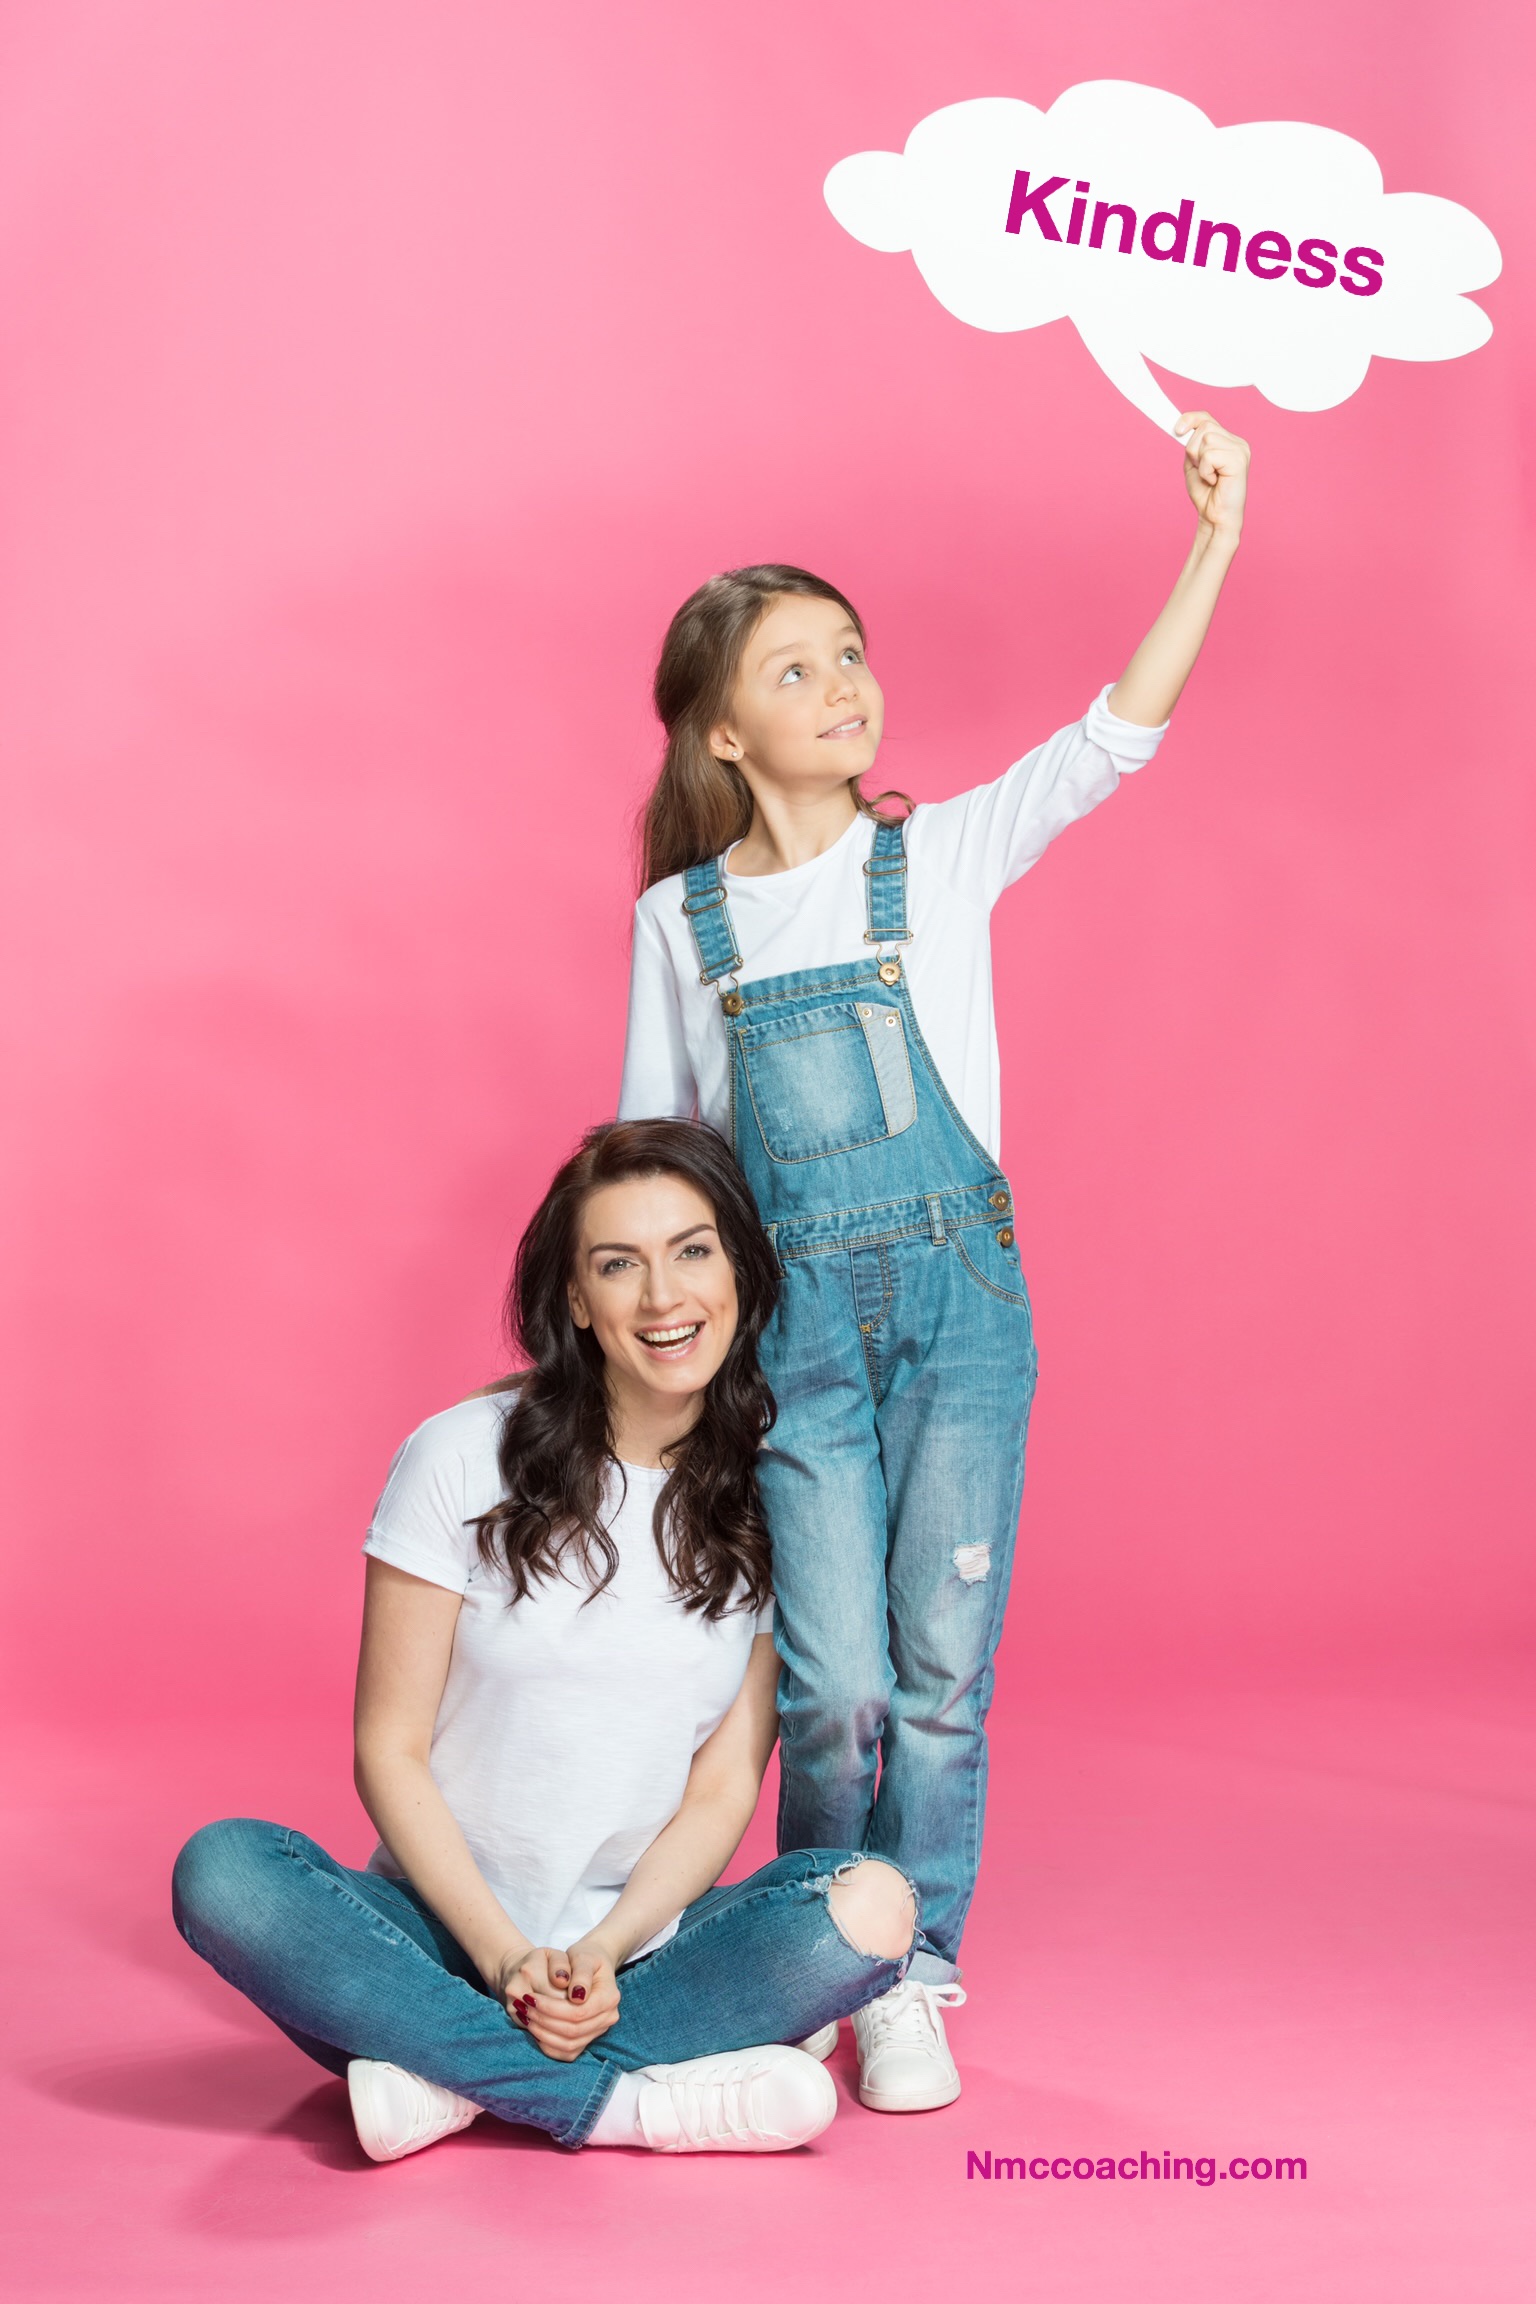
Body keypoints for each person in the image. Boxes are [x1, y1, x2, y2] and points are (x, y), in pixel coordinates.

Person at [617, 413, 1251, 2110]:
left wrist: (1210, 539)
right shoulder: (683, 924)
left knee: (942, 1675)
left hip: (964, 1318)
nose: (843, 685)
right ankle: (815, 1949)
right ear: (723, 730)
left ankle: (909, 1967)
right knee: (829, 1690)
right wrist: (645, 1369)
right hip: (795, 1334)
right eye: (796, 667)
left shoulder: (945, 852)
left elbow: (1115, 736)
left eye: (852, 655)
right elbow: (658, 1162)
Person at [172, 1120, 919, 2160]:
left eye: (693, 1251)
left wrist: (604, 1947)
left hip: (642, 1951)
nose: (665, 1298)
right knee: (226, 1872)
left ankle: (453, 2079)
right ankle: (625, 2107)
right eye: (620, 1265)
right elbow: (387, 1750)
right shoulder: (459, 1459)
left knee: (875, 1908)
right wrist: (507, 1954)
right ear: (576, 1300)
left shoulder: (769, 1502)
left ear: (740, 1273)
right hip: (435, 1937)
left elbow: (721, 1792)